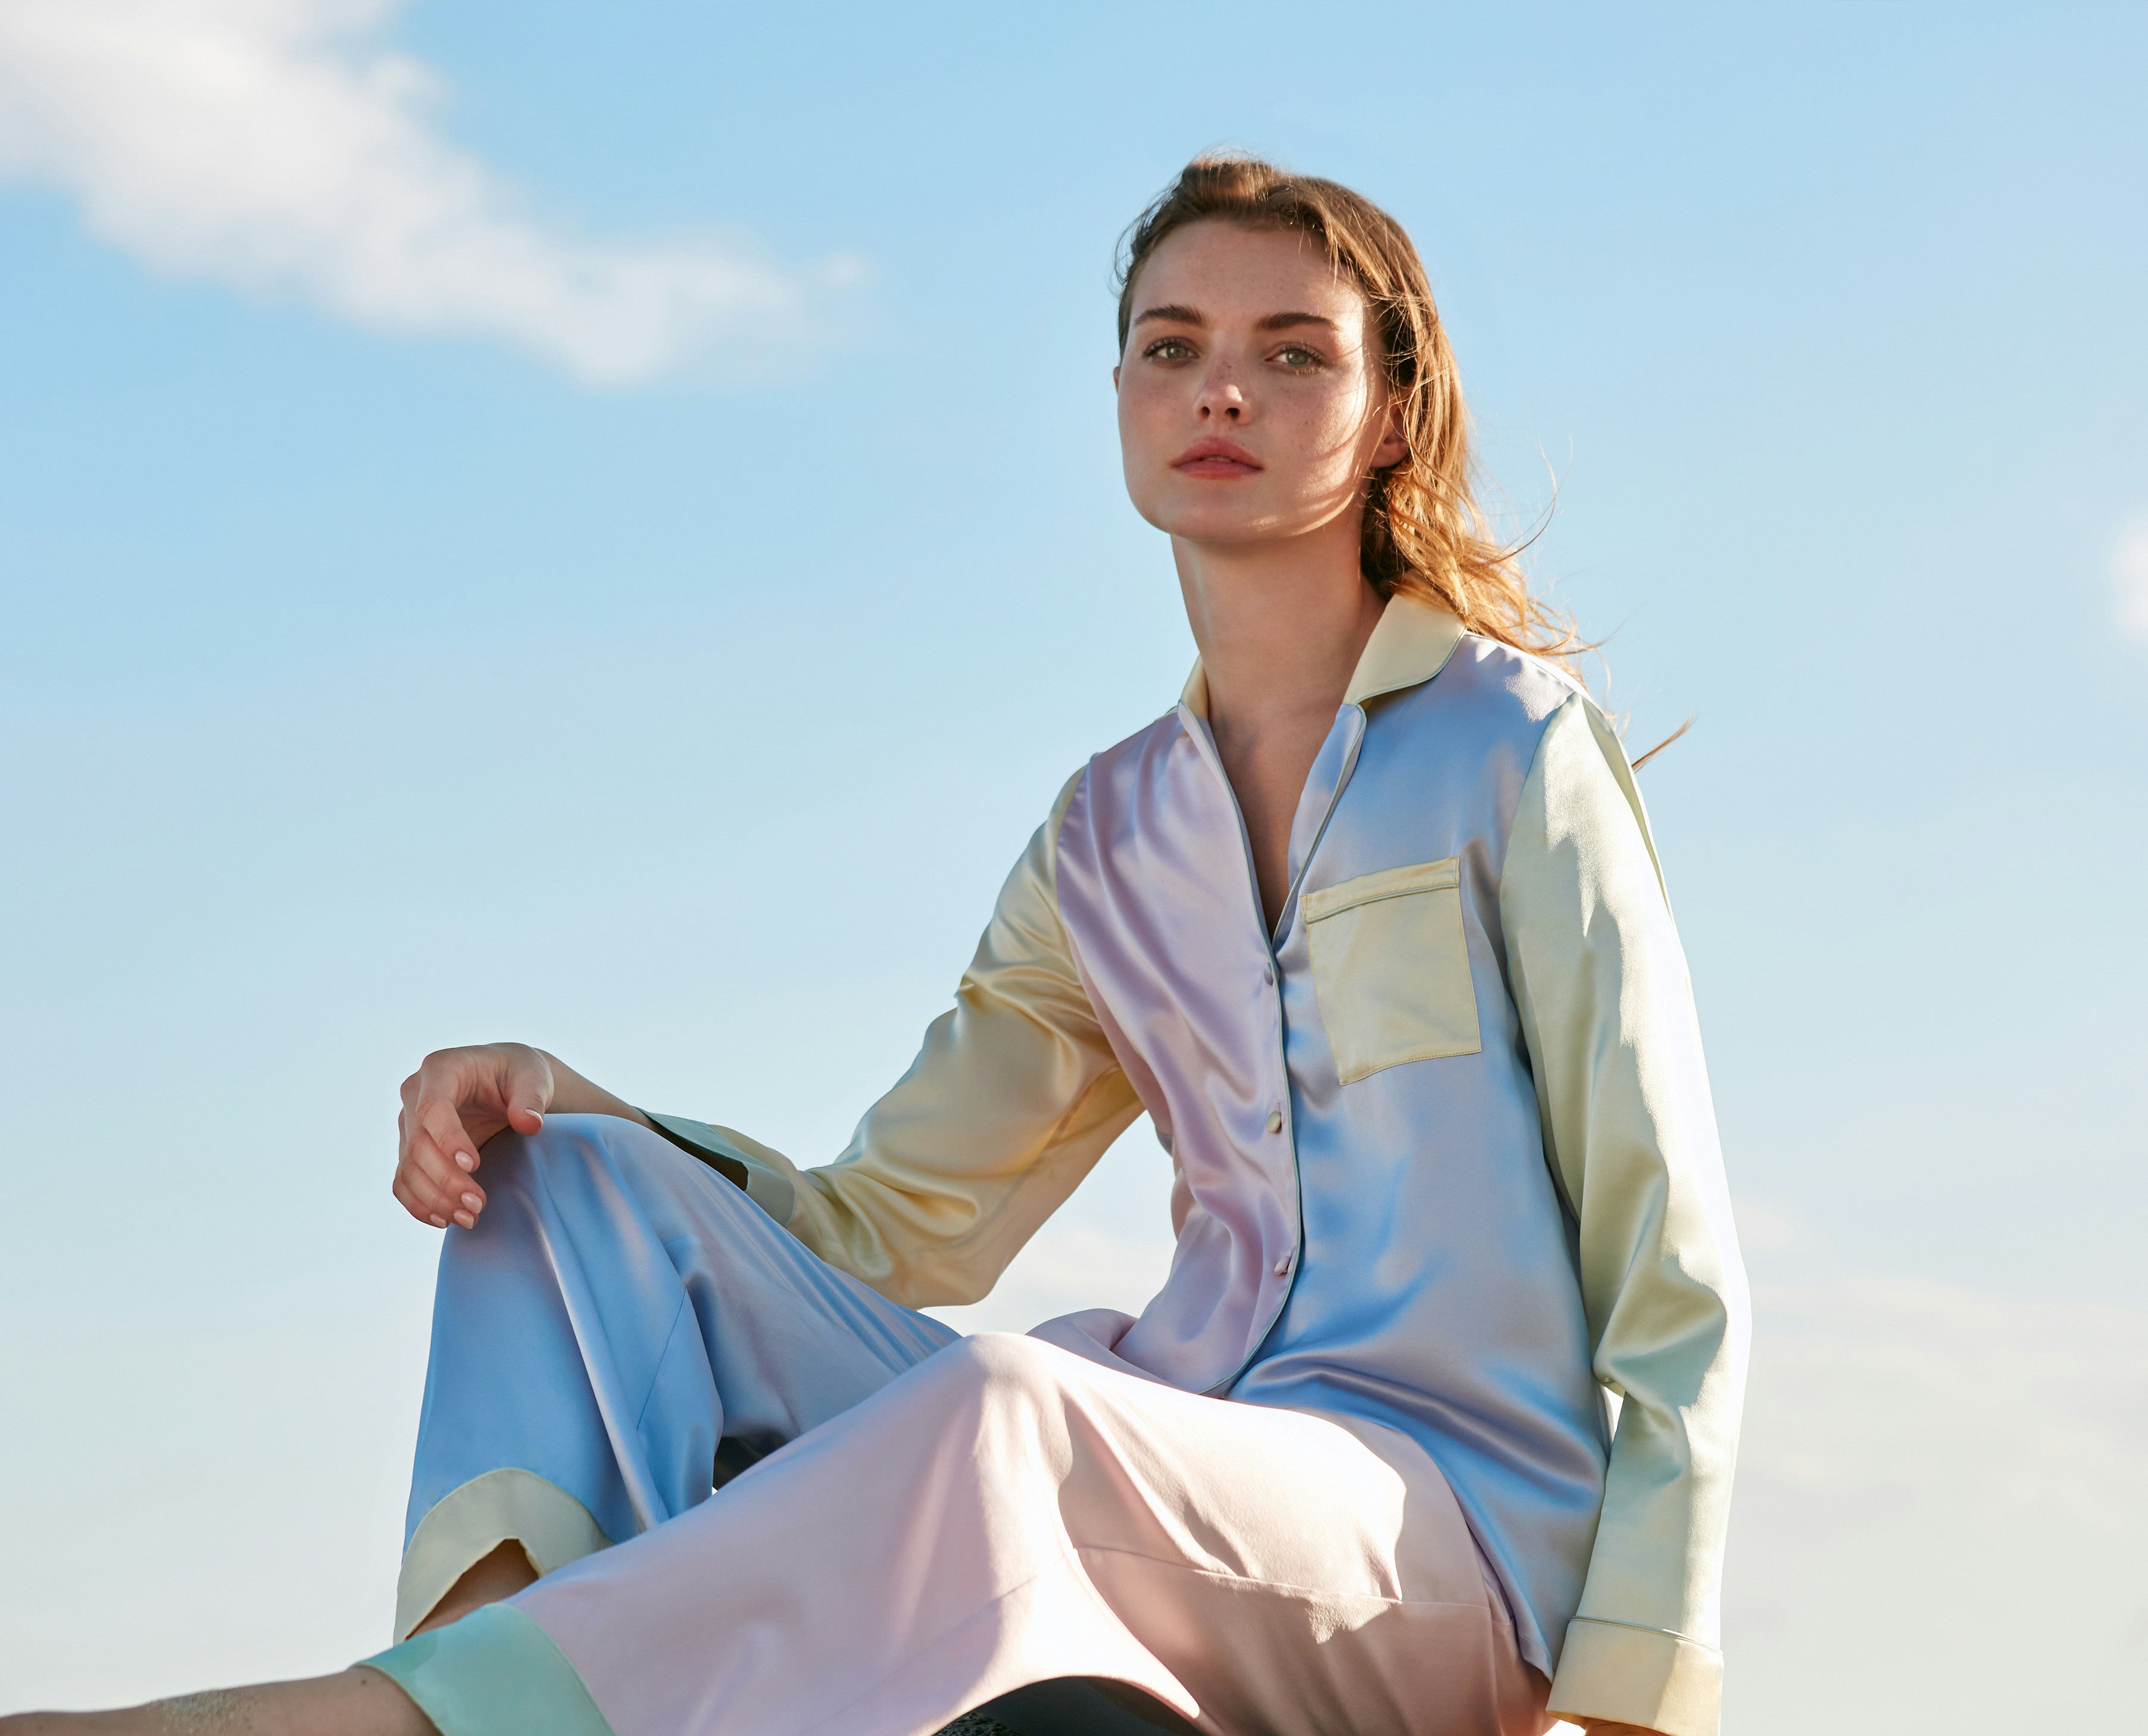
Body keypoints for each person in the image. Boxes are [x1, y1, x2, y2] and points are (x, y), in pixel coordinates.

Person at [6, 155, 1746, 1736]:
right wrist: (577, 1105)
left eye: (1295, 351)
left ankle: (392, 1726)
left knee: (1020, 1409)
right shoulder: (1105, 835)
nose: (1224, 385)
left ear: (1387, 414)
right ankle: (476, 1674)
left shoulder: (1515, 750)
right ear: (1120, 400)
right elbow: (886, 1229)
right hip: (1162, 1448)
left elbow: (1668, 1262)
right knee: (571, 1190)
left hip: (1439, 1537)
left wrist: (1630, 1699)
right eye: (1171, 345)